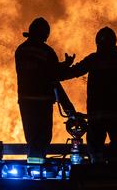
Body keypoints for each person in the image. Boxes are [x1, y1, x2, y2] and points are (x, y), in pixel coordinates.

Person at [15, 17, 78, 164]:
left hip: (25, 101)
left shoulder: (21, 50)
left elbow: (40, 71)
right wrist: (67, 65)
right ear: (45, 34)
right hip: (42, 101)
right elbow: (54, 76)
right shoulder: (46, 51)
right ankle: (37, 167)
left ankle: (33, 165)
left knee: (31, 136)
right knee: (42, 136)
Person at [70, 27, 117, 163]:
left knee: (94, 148)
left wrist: (58, 71)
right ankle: (113, 176)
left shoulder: (93, 60)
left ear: (97, 43)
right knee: (116, 145)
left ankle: (96, 172)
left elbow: (75, 71)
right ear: (114, 42)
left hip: (96, 115)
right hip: (116, 115)